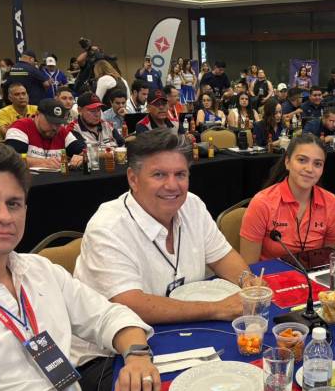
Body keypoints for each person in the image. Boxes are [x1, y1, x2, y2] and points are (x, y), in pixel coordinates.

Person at [0, 140, 159, 391]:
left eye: (13, 203)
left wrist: (137, 355)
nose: (4, 216)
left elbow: (108, 316)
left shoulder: (39, 270)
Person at [73, 129, 262, 327]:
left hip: (185, 326)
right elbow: (130, 304)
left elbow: (222, 257)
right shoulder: (107, 228)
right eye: (159, 175)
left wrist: (246, 280)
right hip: (119, 340)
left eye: (180, 174)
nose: (172, 185)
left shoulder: (192, 205)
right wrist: (218, 308)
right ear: (133, 179)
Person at [240, 133, 335, 263]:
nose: (309, 169)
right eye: (302, 160)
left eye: (317, 164)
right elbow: (249, 268)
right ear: (287, 162)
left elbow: (329, 262)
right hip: (269, 275)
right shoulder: (262, 203)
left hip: (313, 275)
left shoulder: (332, 203)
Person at [4, 98, 85, 169]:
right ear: (37, 114)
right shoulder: (20, 127)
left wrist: (82, 157)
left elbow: (85, 152)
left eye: (58, 123)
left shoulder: (62, 131)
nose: (54, 127)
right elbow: (11, 159)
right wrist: (44, 162)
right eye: (50, 122)